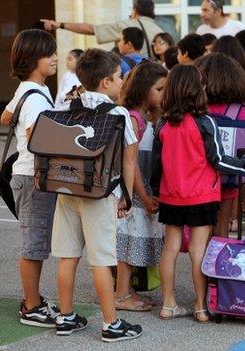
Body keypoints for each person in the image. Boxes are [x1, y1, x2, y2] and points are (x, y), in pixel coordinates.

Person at [151, 65, 245, 323]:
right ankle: (201, 307)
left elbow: (157, 164)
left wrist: (155, 192)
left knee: (170, 248)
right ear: (197, 89)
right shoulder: (205, 122)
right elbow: (219, 160)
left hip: (170, 194)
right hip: (201, 195)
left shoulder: (163, 123)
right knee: (199, 249)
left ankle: (168, 304)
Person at [51, 48, 142, 342]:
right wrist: (126, 197)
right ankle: (111, 323)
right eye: (119, 77)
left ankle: (65, 317)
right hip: (100, 193)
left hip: (66, 186)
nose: (121, 81)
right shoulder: (118, 114)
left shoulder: (67, 106)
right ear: (105, 82)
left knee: (68, 255)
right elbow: (129, 160)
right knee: (102, 259)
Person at [0, 29, 59, 329]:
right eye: (49, 54)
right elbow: (38, 138)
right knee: (33, 246)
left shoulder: (28, 89)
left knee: (34, 242)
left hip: (25, 175)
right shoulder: (35, 96)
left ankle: (33, 299)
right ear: (32, 58)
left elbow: (5, 117)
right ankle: (32, 306)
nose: (55, 58)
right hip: (33, 177)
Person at [115, 61, 168, 312]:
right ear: (143, 89)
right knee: (129, 239)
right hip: (134, 188)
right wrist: (144, 196)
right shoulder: (134, 118)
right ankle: (121, 294)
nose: (163, 94)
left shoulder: (141, 116)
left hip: (138, 186)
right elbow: (131, 162)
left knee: (134, 238)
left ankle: (127, 291)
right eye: (159, 89)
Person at [194, 53, 245, 239]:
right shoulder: (241, 111)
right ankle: (215, 266)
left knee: (200, 232)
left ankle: (200, 267)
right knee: (221, 231)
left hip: (199, 178)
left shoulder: (195, 109)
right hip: (229, 177)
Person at [41, 0, 163, 59]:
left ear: (135, 11)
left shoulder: (127, 25)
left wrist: (60, 24)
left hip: (132, 81)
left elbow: (91, 29)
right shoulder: (160, 31)